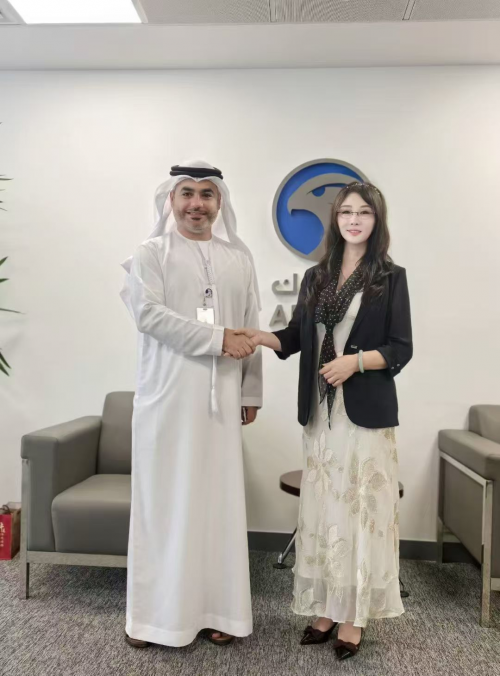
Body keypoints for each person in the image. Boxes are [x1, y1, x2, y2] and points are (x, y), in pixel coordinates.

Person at [236, 181, 412, 660]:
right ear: (335, 219)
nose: (355, 220)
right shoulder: (317, 276)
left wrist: (355, 363)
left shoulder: (390, 277)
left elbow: (401, 348)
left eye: (364, 213)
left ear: (377, 220)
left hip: (365, 416)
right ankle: (327, 610)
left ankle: (354, 617)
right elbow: (297, 335)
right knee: (326, 512)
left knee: (360, 513)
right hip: (321, 414)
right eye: (346, 212)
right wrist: (262, 337)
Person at [120, 160, 262, 649]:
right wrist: (219, 339)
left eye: (206, 194)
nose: (196, 204)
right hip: (166, 400)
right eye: (187, 194)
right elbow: (149, 315)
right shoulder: (151, 253)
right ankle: (153, 619)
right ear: (171, 200)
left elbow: (251, 324)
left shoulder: (238, 258)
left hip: (221, 402)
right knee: (164, 506)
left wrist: (250, 391)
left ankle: (221, 612)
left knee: (217, 506)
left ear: (219, 202)